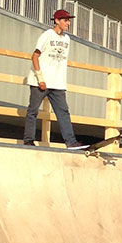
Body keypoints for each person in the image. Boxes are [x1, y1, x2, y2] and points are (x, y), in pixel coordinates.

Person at [23, 9, 87, 149]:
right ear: (57, 21)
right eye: (65, 20)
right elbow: (35, 56)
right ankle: (28, 140)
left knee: (63, 112)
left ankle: (71, 142)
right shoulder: (47, 35)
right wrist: (40, 78)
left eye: (69, 20)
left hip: (57, 83)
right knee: (33, 110)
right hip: (40, 81)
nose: (68, 23)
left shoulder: (66, 39)